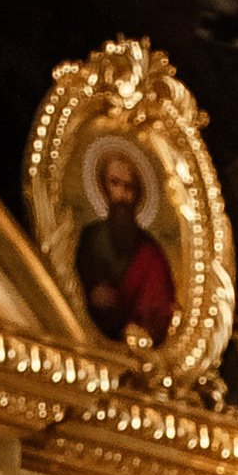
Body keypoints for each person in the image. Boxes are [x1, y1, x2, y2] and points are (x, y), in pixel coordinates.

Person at [74, 145, 177, 346]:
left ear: (137, 194)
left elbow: (160, 308)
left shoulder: (150, 250)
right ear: (104, 187)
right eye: (115, 184)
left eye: (129, 187)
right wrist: (92, 295)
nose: (121, 194)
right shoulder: (90, 237)